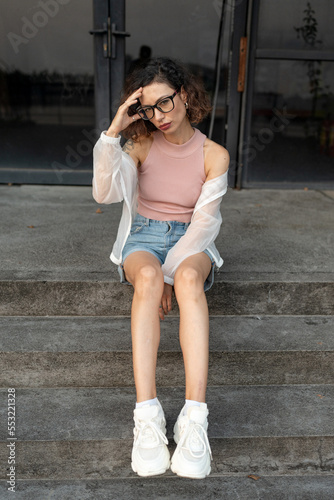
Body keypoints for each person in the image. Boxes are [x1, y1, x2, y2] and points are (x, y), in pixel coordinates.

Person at [92, 57, 229, 479]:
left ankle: (194, 419)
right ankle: (147, 417)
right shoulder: (141, 143)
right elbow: (103, 194)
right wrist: (114, 130)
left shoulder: (214, 155)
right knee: (148, 278)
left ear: (185, 95)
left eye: (165, 103)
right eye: (147, 108)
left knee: (187, 278)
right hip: (143, 239)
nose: (158, 116)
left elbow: (204, 225)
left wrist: (173, 271)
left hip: (192, 239)